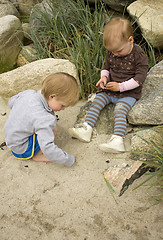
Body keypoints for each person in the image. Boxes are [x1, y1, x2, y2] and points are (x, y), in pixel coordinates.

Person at [68, 17, 149, 153]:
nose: (115, 54)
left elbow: (139, 79)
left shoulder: (139, 55)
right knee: (97, 102)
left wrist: (120, 87)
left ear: (130, 40)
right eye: (112, 52)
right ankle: (86, 128)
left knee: (120, 111)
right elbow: (106, 67)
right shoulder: (113, 51)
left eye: (119, 51)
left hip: (128, 93)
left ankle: (117, 140)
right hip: (109, 89)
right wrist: (104, 77)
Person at [4, 72, 79, 166]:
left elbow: (11, 102)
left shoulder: (29, 93)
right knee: (53, 127)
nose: (63, 109)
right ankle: (38, 155)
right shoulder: (45, 118)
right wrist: (68, 160)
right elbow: (47, 147)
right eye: (62, 105)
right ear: (52, 96)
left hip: (11, 138)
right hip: (22, 150)